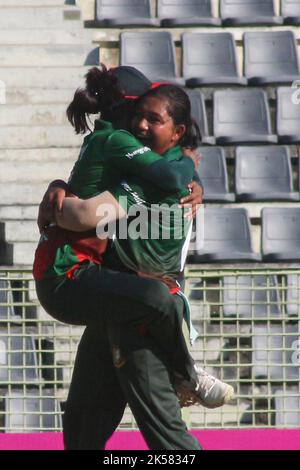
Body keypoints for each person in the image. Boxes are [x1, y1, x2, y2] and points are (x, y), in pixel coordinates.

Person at [35, 66, 233, 449]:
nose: (142, 124)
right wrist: (59, 188)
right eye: (139, 113)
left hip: (136, 309)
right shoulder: (136, 162)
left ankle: (186, 373)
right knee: (85, 427)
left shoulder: (156, 176)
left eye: (153, 118)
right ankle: (188, 374)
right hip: (110, 293)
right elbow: (87, 211)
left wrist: (190, 168)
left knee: (159, 432)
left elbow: (85, 215)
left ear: (177, 132)